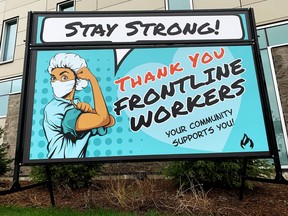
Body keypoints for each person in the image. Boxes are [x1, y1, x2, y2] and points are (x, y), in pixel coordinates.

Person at [43, 53, 114, 159]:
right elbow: (103, 119)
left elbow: (110, 121)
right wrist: (93, 81)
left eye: (64, 77)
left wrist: (91, 112)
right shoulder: (54, 108)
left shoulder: (76, 105)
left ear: (77, 80)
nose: (56, 82)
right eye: (53, 78)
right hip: (58, 165)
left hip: (79, 166)